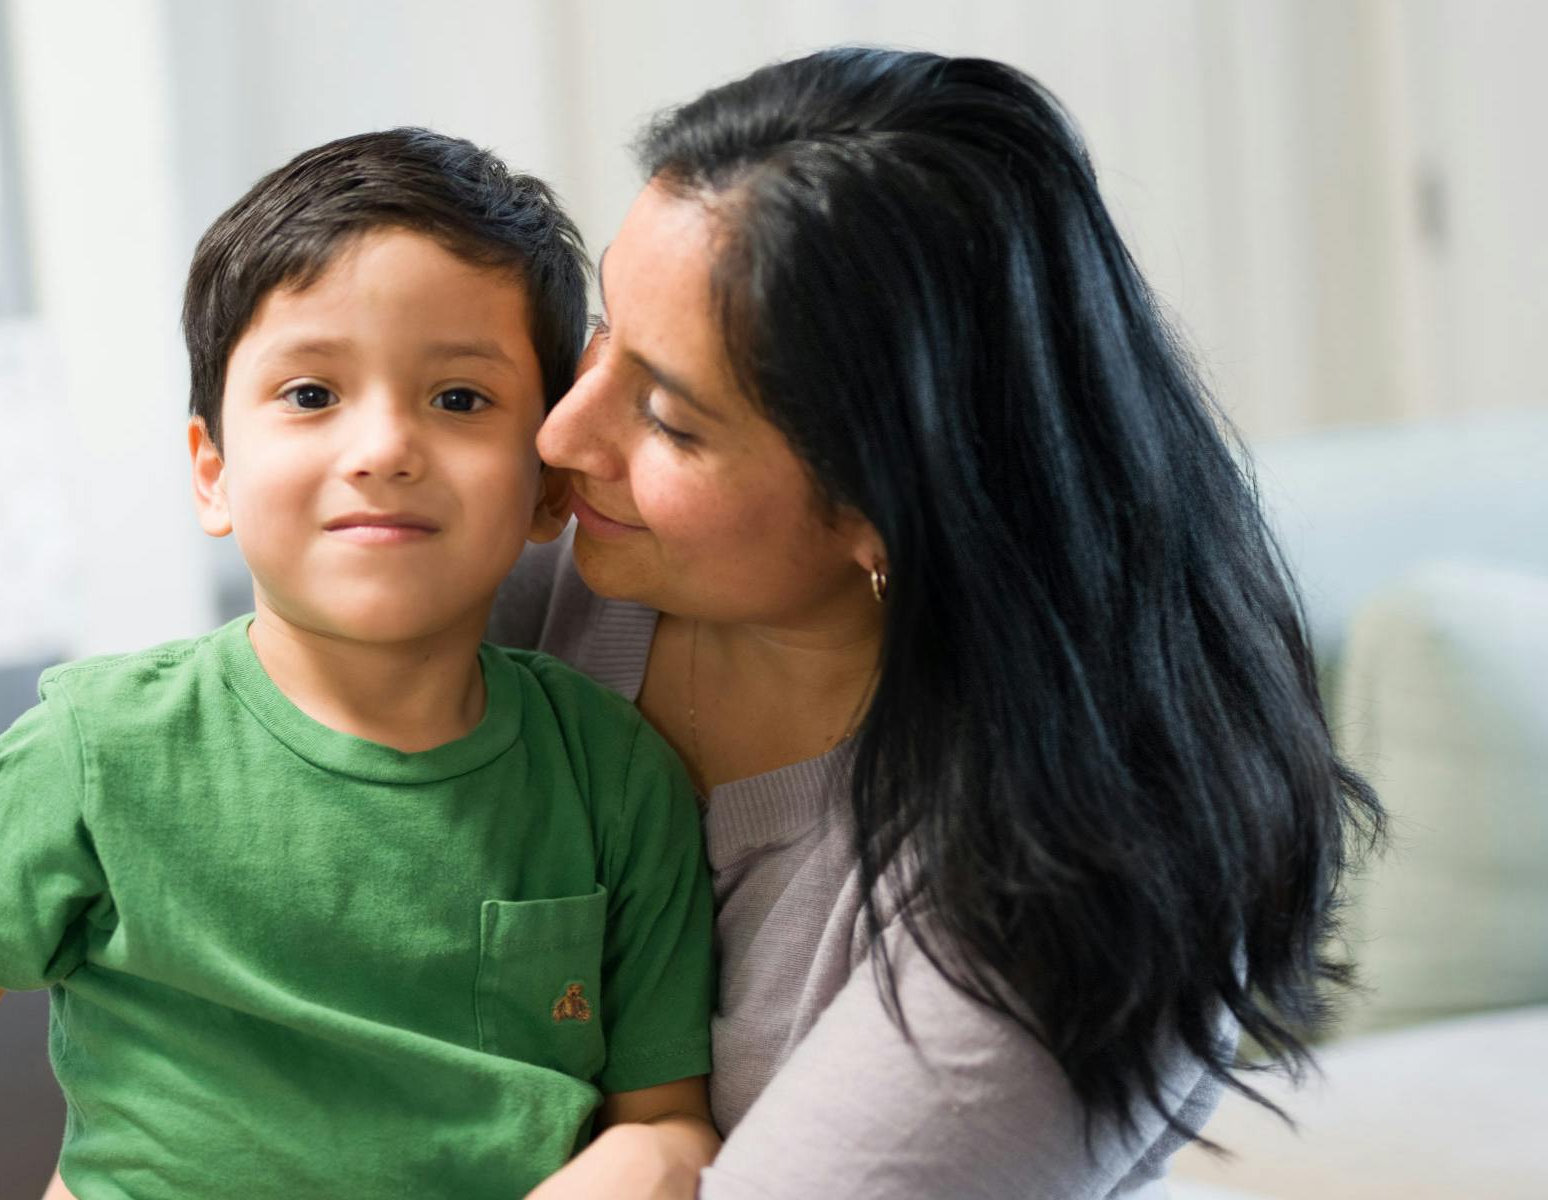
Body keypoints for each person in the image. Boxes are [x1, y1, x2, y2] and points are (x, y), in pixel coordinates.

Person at [493, 47, 1385, 1198]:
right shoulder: (555, 581)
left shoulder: (1081, 898)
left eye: (668, 418)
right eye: (606, 327)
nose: (560, 434)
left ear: (888, 505)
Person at [0, 128, 719, 1200]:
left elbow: (668, 1127)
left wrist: (638, 1164)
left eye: (460, 399)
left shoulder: (614, 775)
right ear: (213, 473)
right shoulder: (94, 752)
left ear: (551, 490)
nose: (382, 448)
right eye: (312, 395)